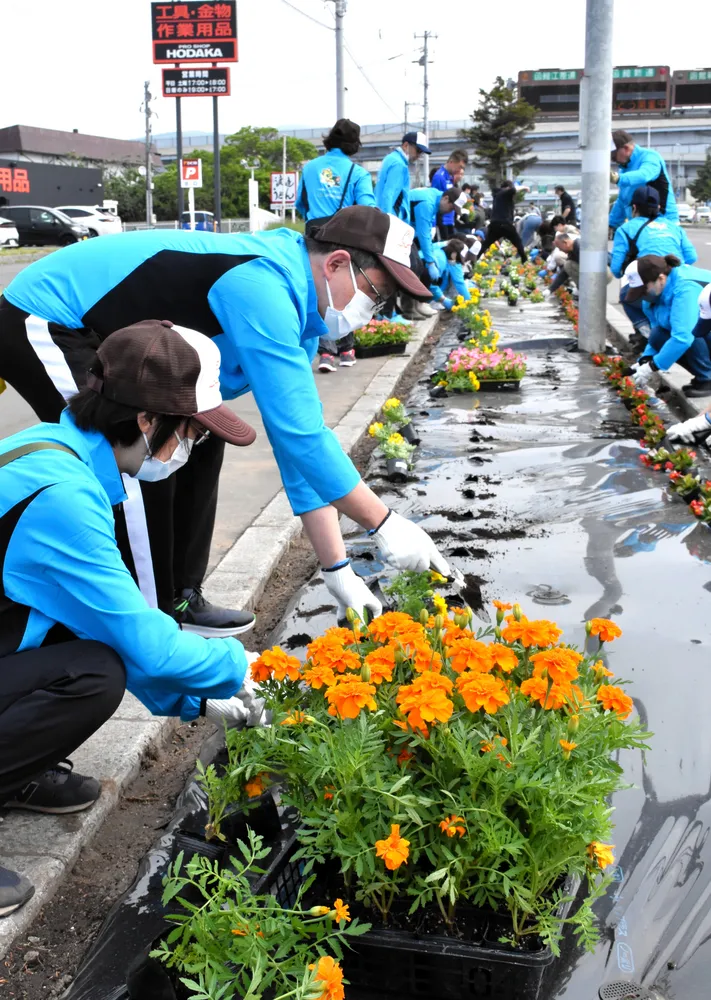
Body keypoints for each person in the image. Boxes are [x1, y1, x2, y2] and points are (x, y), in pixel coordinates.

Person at [0, 206, 450, 628]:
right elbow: (302, 438)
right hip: (46, 316)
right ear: (335, 264)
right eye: (376, 295)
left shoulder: (299, 319)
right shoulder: (263, 283)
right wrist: (383, 522)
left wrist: (337, 569)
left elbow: (298, 451)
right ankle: (148, 626)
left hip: (103, 331)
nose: (373, 313)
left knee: (204, 433)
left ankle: (180, 597)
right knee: (127, 453)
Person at [0, 321, 267, 917]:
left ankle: (16, 773)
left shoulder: (60, 450)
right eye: (192, 434)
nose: (192, 450)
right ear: (148, 420)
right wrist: (238, 668)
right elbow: (143, 645)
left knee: (93, 655)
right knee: (93, 677)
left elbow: (111, 624)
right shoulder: (63, 497)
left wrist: (194, 699)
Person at [294, 119, 376, 373]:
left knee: (318, 292)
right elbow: (367, 209)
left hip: (314, 236)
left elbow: (300, 204)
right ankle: (347, 350)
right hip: (344, 235)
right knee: (346, 290)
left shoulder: (310, 169)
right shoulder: (357, 173)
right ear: (354, 145)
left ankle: (326, 353)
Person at [610, 185, 697, 347]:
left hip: (654, 286)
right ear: (658, 207)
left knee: (626, 296)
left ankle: (648, 336)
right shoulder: (674, 227)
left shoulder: (626, 229)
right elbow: (691, 257)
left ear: (634, 207)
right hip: (681, 282)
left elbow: (616, 270)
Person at [628, 255, 711, 397]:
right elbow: (656, 334)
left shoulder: (685, 288)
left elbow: (684, 337)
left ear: (660, 279)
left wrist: (653, 366)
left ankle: (707, 378)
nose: (643, 295)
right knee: (659, 335)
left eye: (644, 290)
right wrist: (645, 360)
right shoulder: (655, 296)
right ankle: (704, 376)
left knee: (686, 333)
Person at [609, 129, 678, 230]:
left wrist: (618, 178)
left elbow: (644, 174)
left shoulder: (650, 157)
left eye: (614, 156)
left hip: (664, 224)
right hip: (640, 226)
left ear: (626, 149)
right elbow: (623, 201)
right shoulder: (624, 169)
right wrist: (611, 224)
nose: (613, 160)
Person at [409, 187, 462, 283]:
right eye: (452, 207)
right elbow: (423, 234)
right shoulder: (427, 203)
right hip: (390, 224)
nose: (451, 212)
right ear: (446, 198)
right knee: (414, 265)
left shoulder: (436, 197)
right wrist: (430, 262)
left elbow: (426, 232)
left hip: (404, 226)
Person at [375, 130, 430, 222]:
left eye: (421, 153)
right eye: (418, 150)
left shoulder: (390, 158)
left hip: (378, 212)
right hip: (392, 217)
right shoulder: (399, 165)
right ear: (406, 145)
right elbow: (389, 194)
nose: (419, 155)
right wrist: (387, 222)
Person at [476, 180, 530, 262]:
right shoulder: (504, 193)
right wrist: (524, 187)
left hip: (495, 224)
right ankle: (524, 260)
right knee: (518, 242)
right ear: (507, 187)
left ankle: (474, 259)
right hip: (505, 224)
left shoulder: (497, 195)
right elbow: (513, 190)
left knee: (486, 244)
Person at [431, 150, 468, 239]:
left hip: (449, 220)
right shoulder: (439, 177)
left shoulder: (450, 177)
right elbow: (436, 202)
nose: (460, 170)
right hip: (441, 222)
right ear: (451, 162)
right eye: (459, 167)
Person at [425, 238, 472, 309]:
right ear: (454, 254)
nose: (456, 261)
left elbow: (459, 281)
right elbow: (428, 282)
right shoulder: (440, 260)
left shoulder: (442, 250)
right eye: (458, 258)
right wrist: (442, 299)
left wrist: (468, 300)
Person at [548, 228, 581, 292]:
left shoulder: (579, 247)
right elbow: (564, 272)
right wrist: (550, 290)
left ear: (565, 243)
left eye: (559, 248)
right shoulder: (573, 250)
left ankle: (586, 290)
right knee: (568, 265)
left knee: (569, 265)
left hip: (599, 274)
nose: (560, 250)